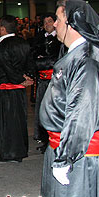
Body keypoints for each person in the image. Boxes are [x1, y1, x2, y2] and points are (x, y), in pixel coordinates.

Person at [39, 0, 99, 197]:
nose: (54, 24)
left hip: (82, 157)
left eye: (58, 19)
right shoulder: (75, 55)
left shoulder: (88, 60)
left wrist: (66, 158)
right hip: (64, 147)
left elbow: (82, 113)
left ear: (72, 22)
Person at [0, 15, 35, 163]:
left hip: (6, 88)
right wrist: (28, 78)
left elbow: (7, 68)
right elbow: (30, 63)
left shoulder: (2, 46)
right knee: (19, 120)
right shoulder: (23, 43)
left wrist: (20, 79)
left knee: (6, 122)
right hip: (19, 89)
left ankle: (8, 152)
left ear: (2, 29)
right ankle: (20, 150)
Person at [31, 13, 61, 153]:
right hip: (42, 80)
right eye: (45, 22)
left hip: (55, 81)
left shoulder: (60, 39)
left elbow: (56, 60)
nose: (47, 24)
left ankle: (54, 140)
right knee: (42, 110)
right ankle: (43, 139)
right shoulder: (39, 39)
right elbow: (32, 56)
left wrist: (41, 61)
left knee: (53, 111)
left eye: (50, 21)